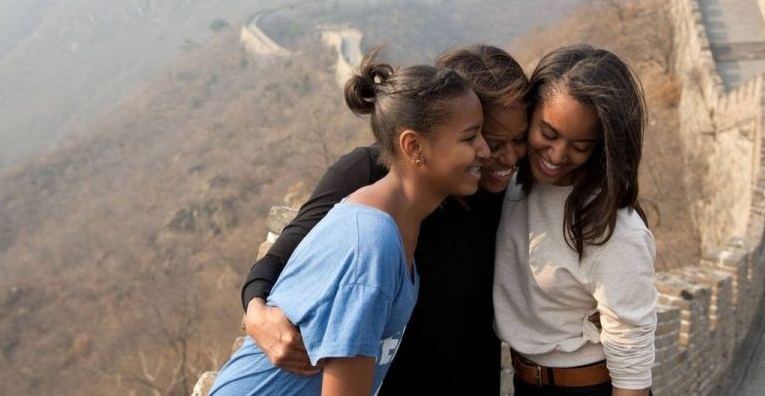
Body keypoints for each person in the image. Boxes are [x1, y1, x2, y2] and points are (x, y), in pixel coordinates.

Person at [240, 44, 530, 394]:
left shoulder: (509, 194)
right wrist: (257, 314)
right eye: (484, 139)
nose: (505, 157)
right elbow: (282, 258)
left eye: (520, 140)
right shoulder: (370, 190)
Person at [494, 44, 658, 396]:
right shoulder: (509, 185)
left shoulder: (612, 227)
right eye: (548, 134)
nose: (556, 155)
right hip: (523, 380)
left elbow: (631, 359)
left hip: (588, 386)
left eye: (580, 145)